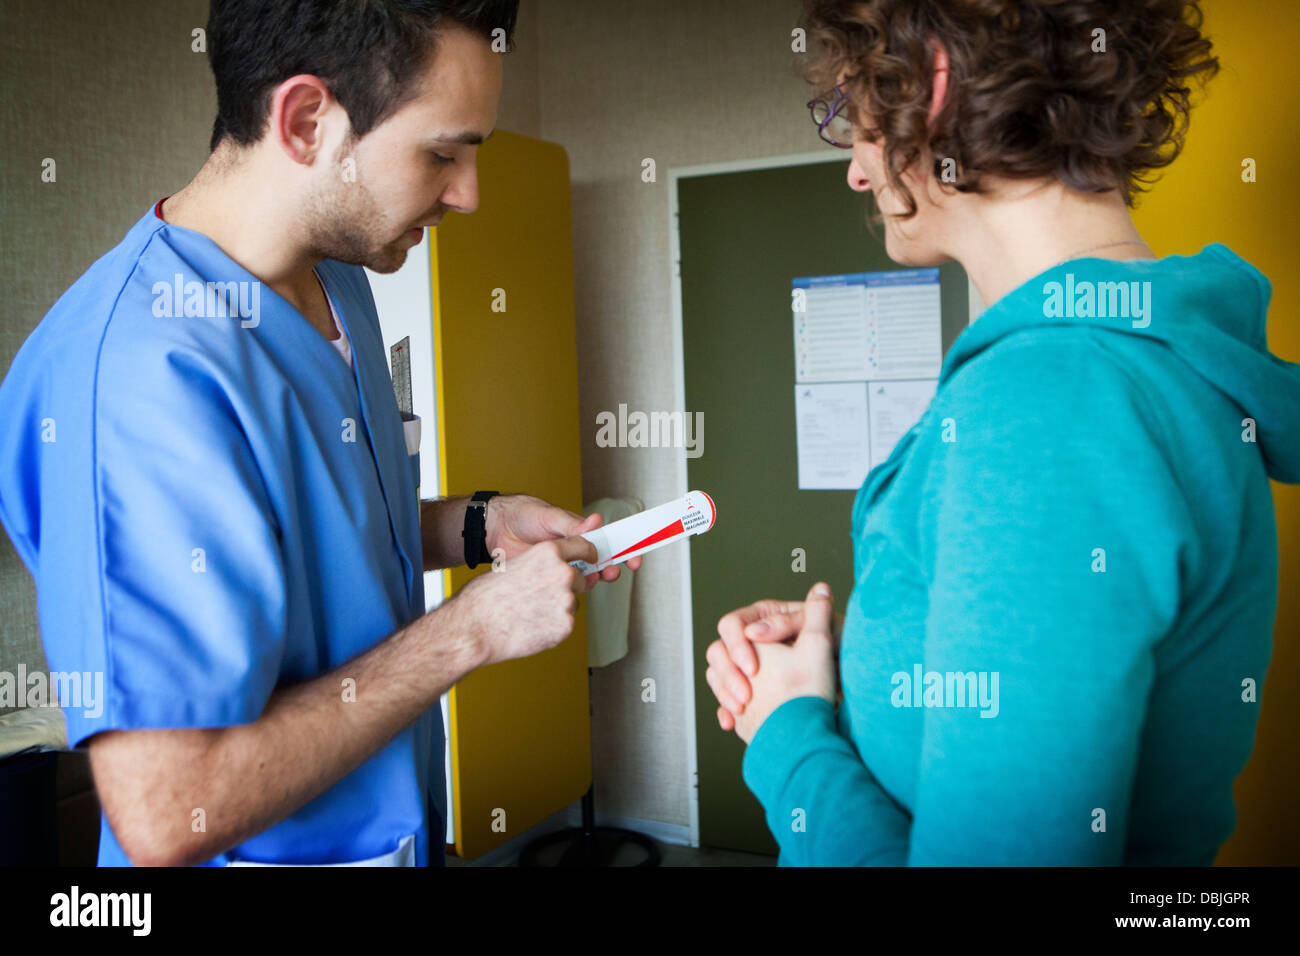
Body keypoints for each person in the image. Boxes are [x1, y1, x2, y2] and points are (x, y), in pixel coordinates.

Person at [0, 0, 637, 867]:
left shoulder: (340, 281)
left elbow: (319, 540)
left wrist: (480, 526)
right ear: (306, 121)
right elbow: (166, 810)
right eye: (441, 153)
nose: (468, 195)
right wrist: (472, 631)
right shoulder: (132, 374)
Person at [705, 0, 1300, 865]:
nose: (856, 174)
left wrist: (786, 737)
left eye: (850, 118)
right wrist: (884, 635)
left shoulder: (1050, 401)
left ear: (929, 84)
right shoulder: (1134, 363)